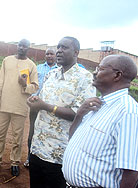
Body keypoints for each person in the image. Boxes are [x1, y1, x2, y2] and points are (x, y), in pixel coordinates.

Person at [27, 36, 96, 188]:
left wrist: (45, 106)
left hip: (59, 153)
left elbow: (80, 114)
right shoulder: (51, 75)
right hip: (38, 148)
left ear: (76, 52)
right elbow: (40, 102)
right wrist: (34, 102)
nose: (59, 51)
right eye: (58, 47)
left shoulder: (85, 78)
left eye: (64, 47)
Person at [63, 55, 138, 188]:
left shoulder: (128, 112)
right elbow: (72, 138)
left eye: (100, 68)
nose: (95, 72)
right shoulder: (97, 104)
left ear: (117, 75)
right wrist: (79, 114)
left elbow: (131, 173)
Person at [0, 39, 38, 177]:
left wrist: (24, 85)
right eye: (19, 45)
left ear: (28, 48)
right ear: (17, 46)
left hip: (20, 106)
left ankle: (15, 162)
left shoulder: (31, 65)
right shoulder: (6, 60)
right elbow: (0, 80)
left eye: (24, 46)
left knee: (17, 137)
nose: (21, 48)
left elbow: (35, 87)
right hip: (4, 104)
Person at [24, 48, 57, 168]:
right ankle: (30, 157)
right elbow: (30, 84)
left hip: (50, 107)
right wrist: (31, 97)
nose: (49, 56)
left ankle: (47, 160)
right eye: (47, 54)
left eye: (51, 54)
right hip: (35, 105)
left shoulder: (59, 70)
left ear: (55, 55)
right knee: (32, 132)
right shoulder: (37, 68)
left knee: (48, 132)